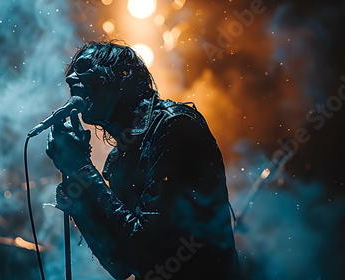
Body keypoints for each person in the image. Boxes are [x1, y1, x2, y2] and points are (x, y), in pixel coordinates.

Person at [46, 40, 242, 279]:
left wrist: (81, 168)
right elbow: (119, 265)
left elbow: (149, 255)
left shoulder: (175, 127)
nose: (70, 79)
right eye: (70, 73)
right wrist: (79, 199)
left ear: (123, 75)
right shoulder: (119, 158)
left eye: (84, 67)